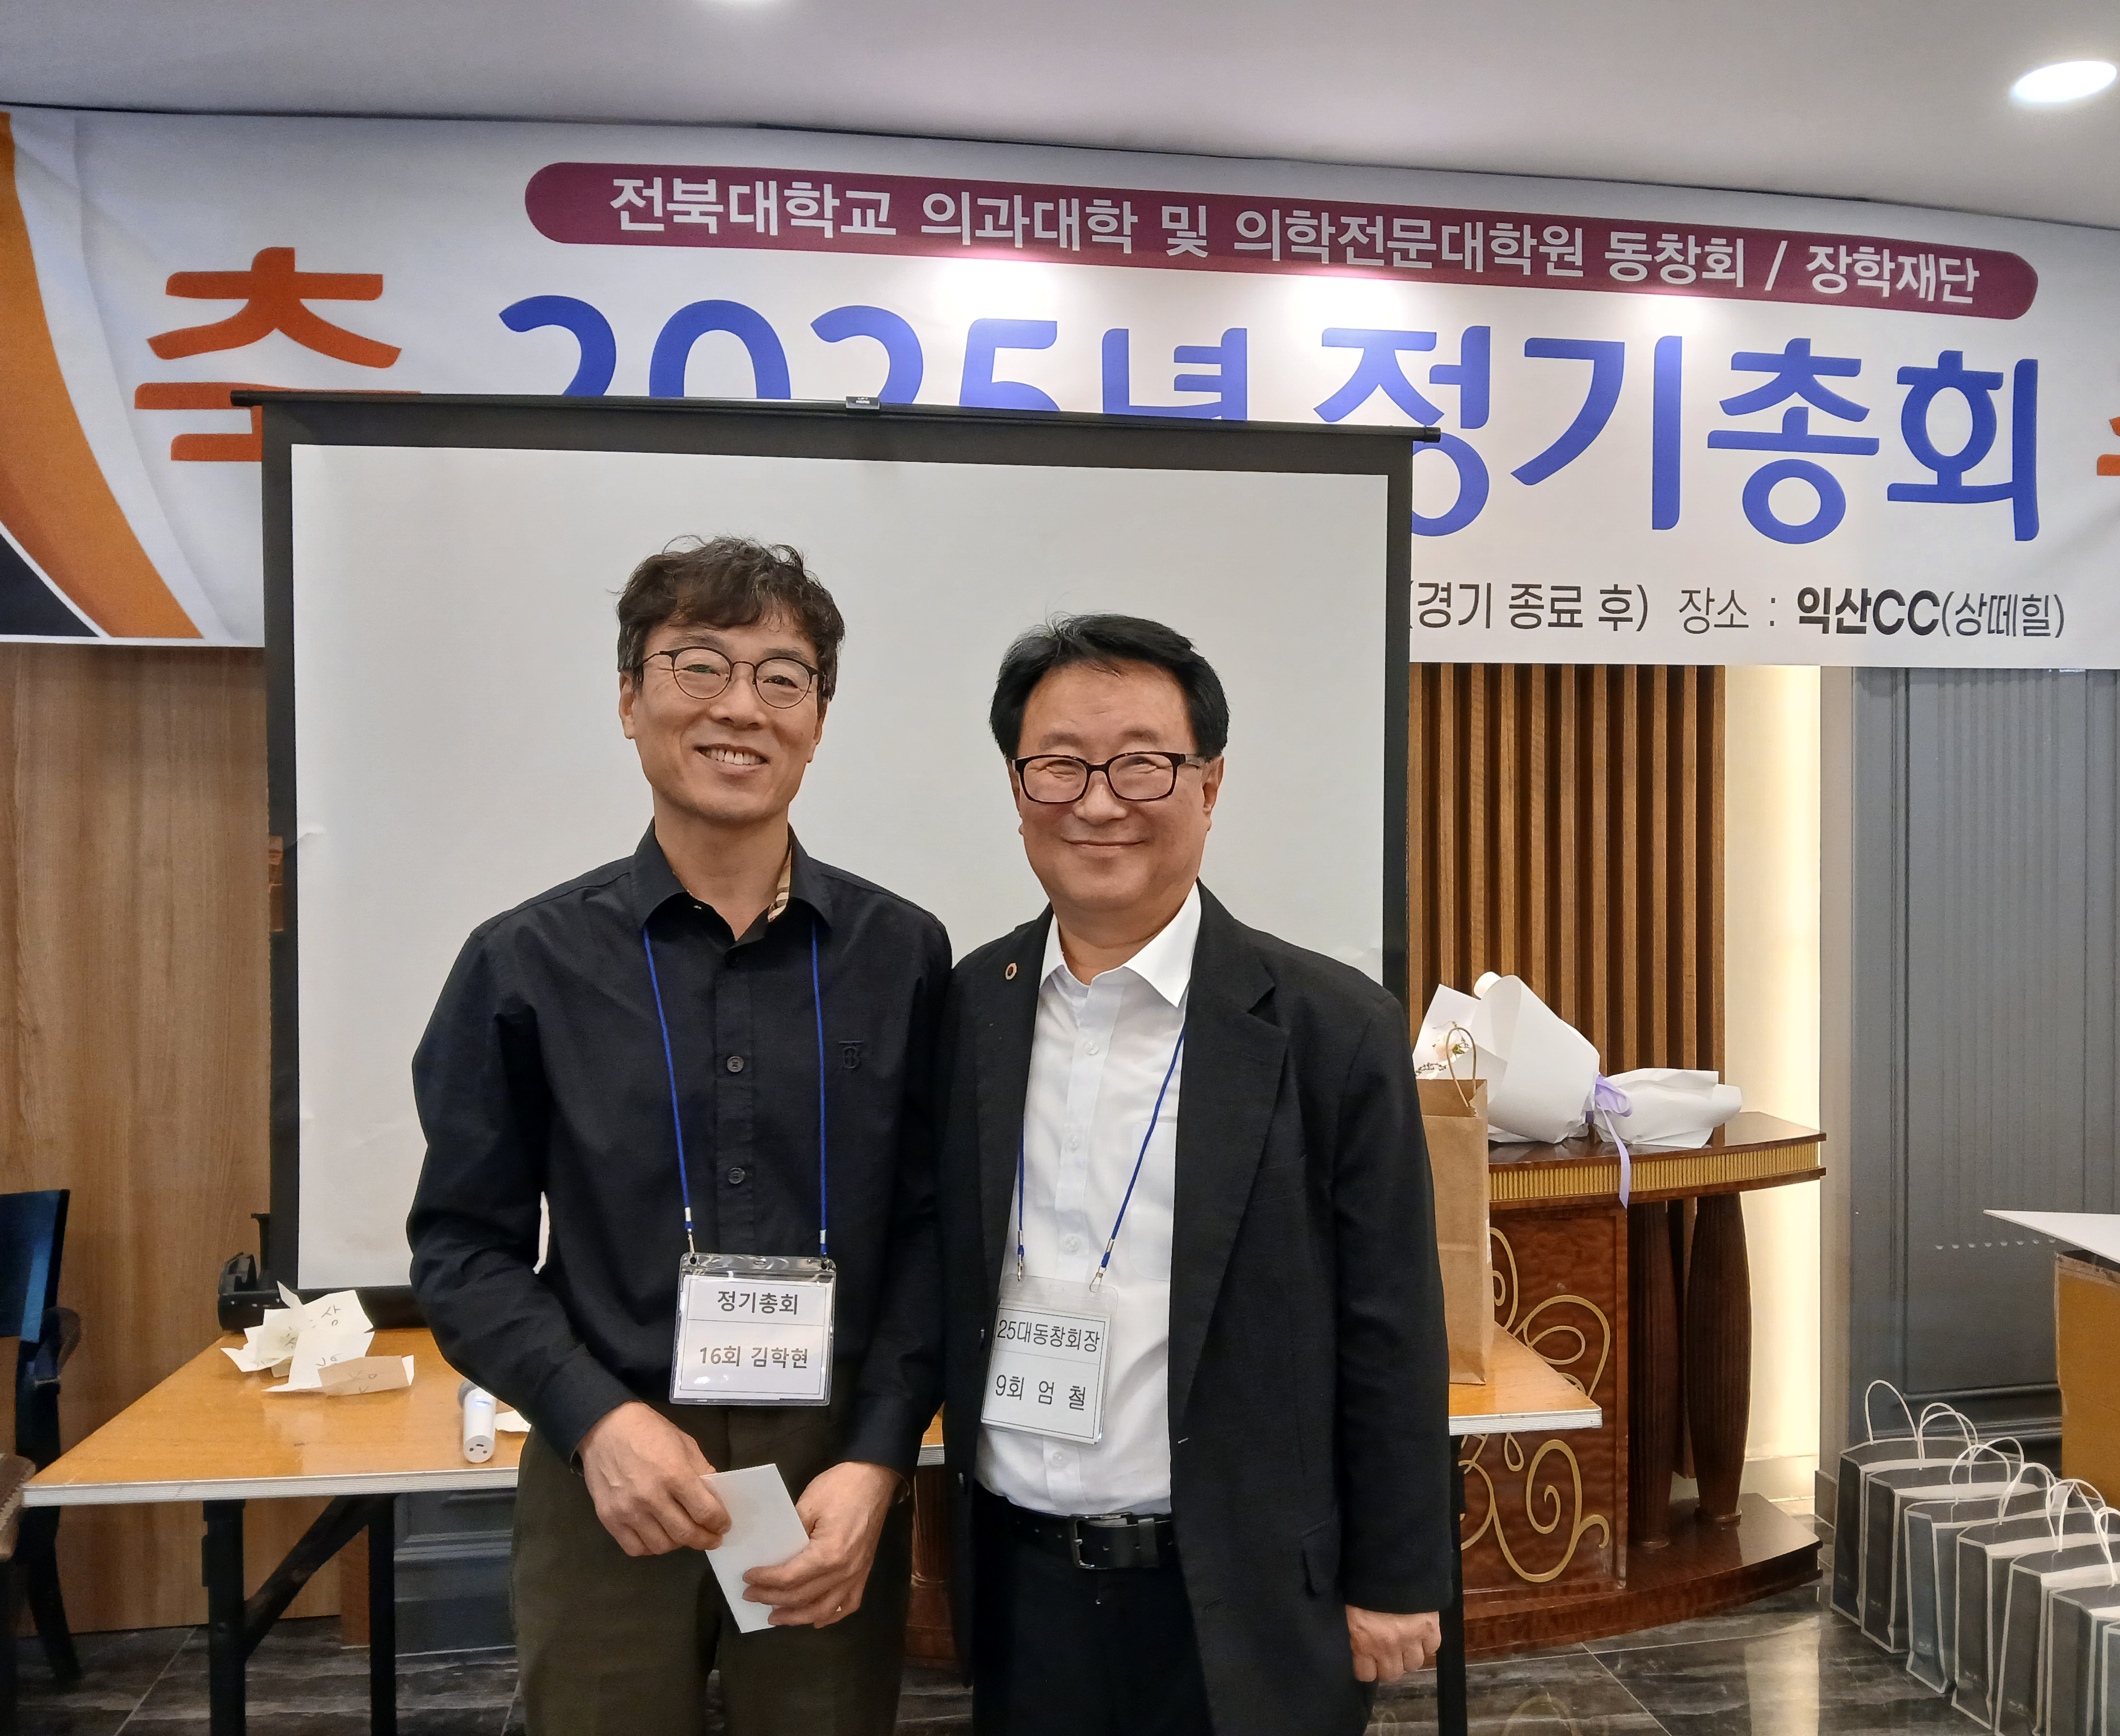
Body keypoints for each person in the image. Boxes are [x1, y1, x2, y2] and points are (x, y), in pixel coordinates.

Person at [408, 536, 948, 1736]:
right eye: (698, 665)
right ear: (629, 697)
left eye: (782, 677)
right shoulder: (524, 962)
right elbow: (460, 1250)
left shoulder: (902, 955)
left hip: (830, 1469)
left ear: (818, 719)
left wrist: (879, 1458)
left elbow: (931, 1232)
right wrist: (594, 1418)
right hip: (608, 1454)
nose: (740, 708)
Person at [935, 614, 1450, 1736]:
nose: (1098, 801)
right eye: (1059, 764)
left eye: (1142, 763)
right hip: (1023, 1592)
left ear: (1208, 785)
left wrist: (1398, 1571)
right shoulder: (970, 1005)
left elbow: (1393, 1321)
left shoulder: (1331, 1027)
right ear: (1018, 789)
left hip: (1246, 1596)